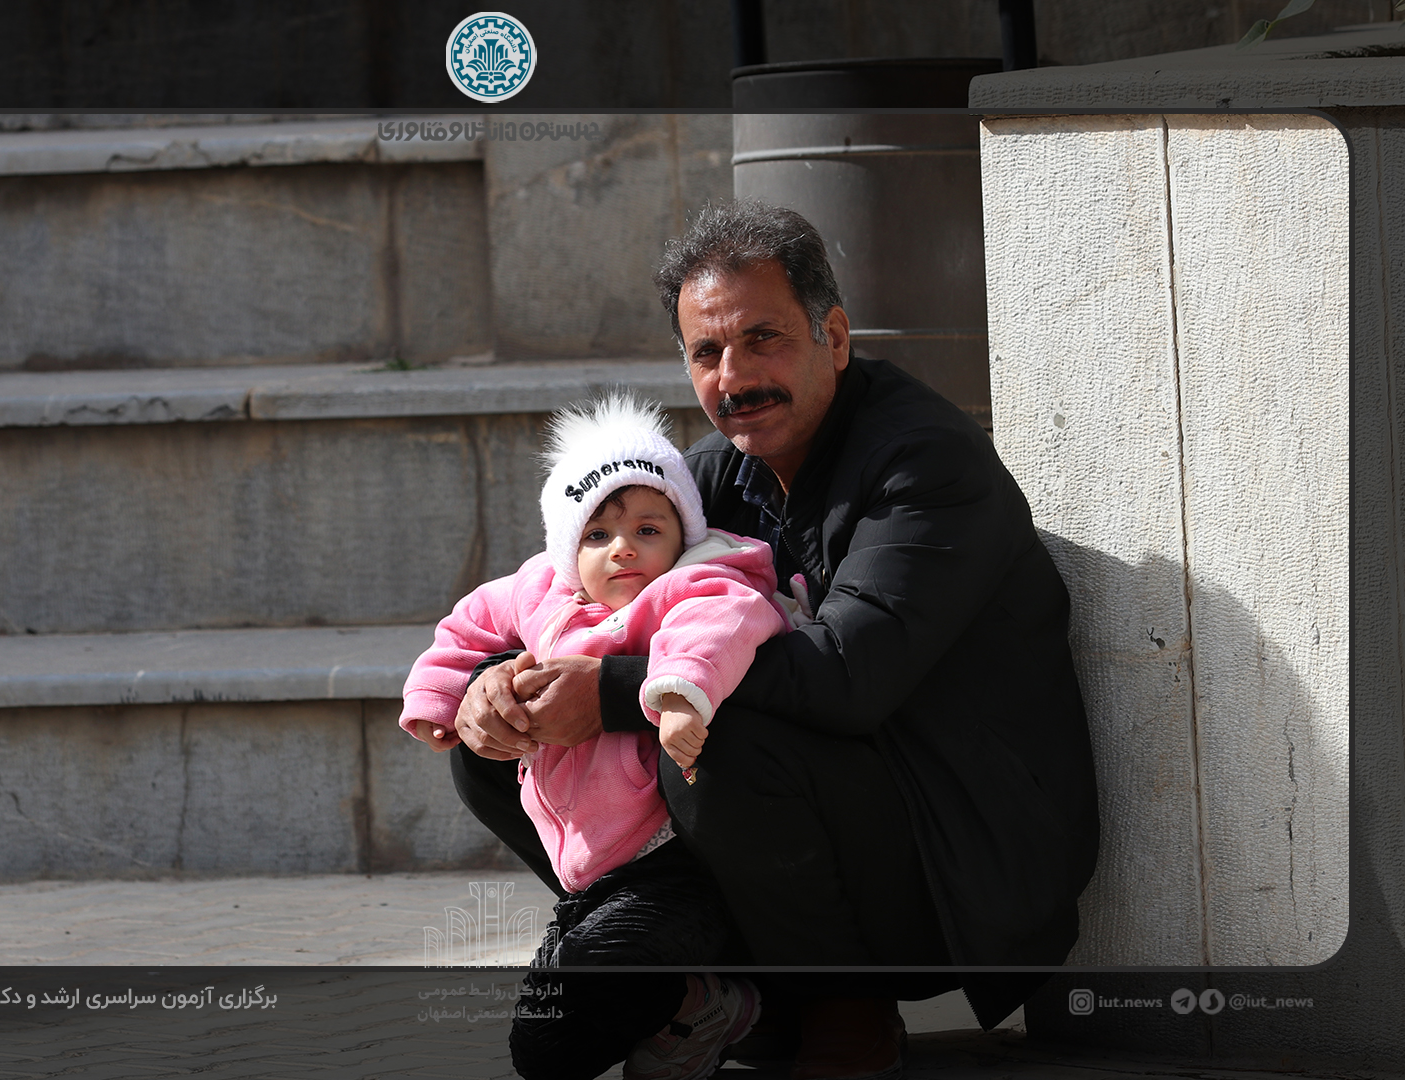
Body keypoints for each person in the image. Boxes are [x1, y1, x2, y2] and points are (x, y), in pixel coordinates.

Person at [446, 201, 1100, 1080]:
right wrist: (500, 683)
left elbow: (846, 677)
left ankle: (844, 1012)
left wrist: (603, 694)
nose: (736, 377)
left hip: (958, 848)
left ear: (835, 336)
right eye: (707, 353)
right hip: (810, 828)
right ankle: (702, 991)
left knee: (718, 733)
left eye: (764, 339)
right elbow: (580, 597)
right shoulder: (714, 476)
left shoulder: (925, 464)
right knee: (498, 746)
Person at [399, 395, 790, 1080]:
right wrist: (439, 700)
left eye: (648, 528)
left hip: (674, 864)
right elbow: (469, 625)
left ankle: (713, 1000)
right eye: (598, 535)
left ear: (683, 532)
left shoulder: (693, 582)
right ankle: (689, 1000)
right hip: (593, 871)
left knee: (580, 1010)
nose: (623, 549)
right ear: (567, 549)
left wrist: (678, 696)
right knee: (543, 1049)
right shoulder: (541, 590)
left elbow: (716, 628)